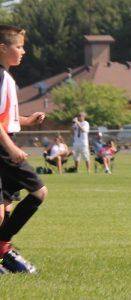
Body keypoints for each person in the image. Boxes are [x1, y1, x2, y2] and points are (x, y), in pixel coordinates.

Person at [0, 24, 48, 273]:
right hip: (2, 148)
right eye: (18, 47)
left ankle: (4, 254)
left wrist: (28, 120)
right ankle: (3, 249)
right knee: (39, 192)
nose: (23, 51)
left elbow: (6, 117)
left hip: (5, 144)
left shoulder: (7, 77)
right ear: (2, 48)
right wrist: (11, 148)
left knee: (4, 206)